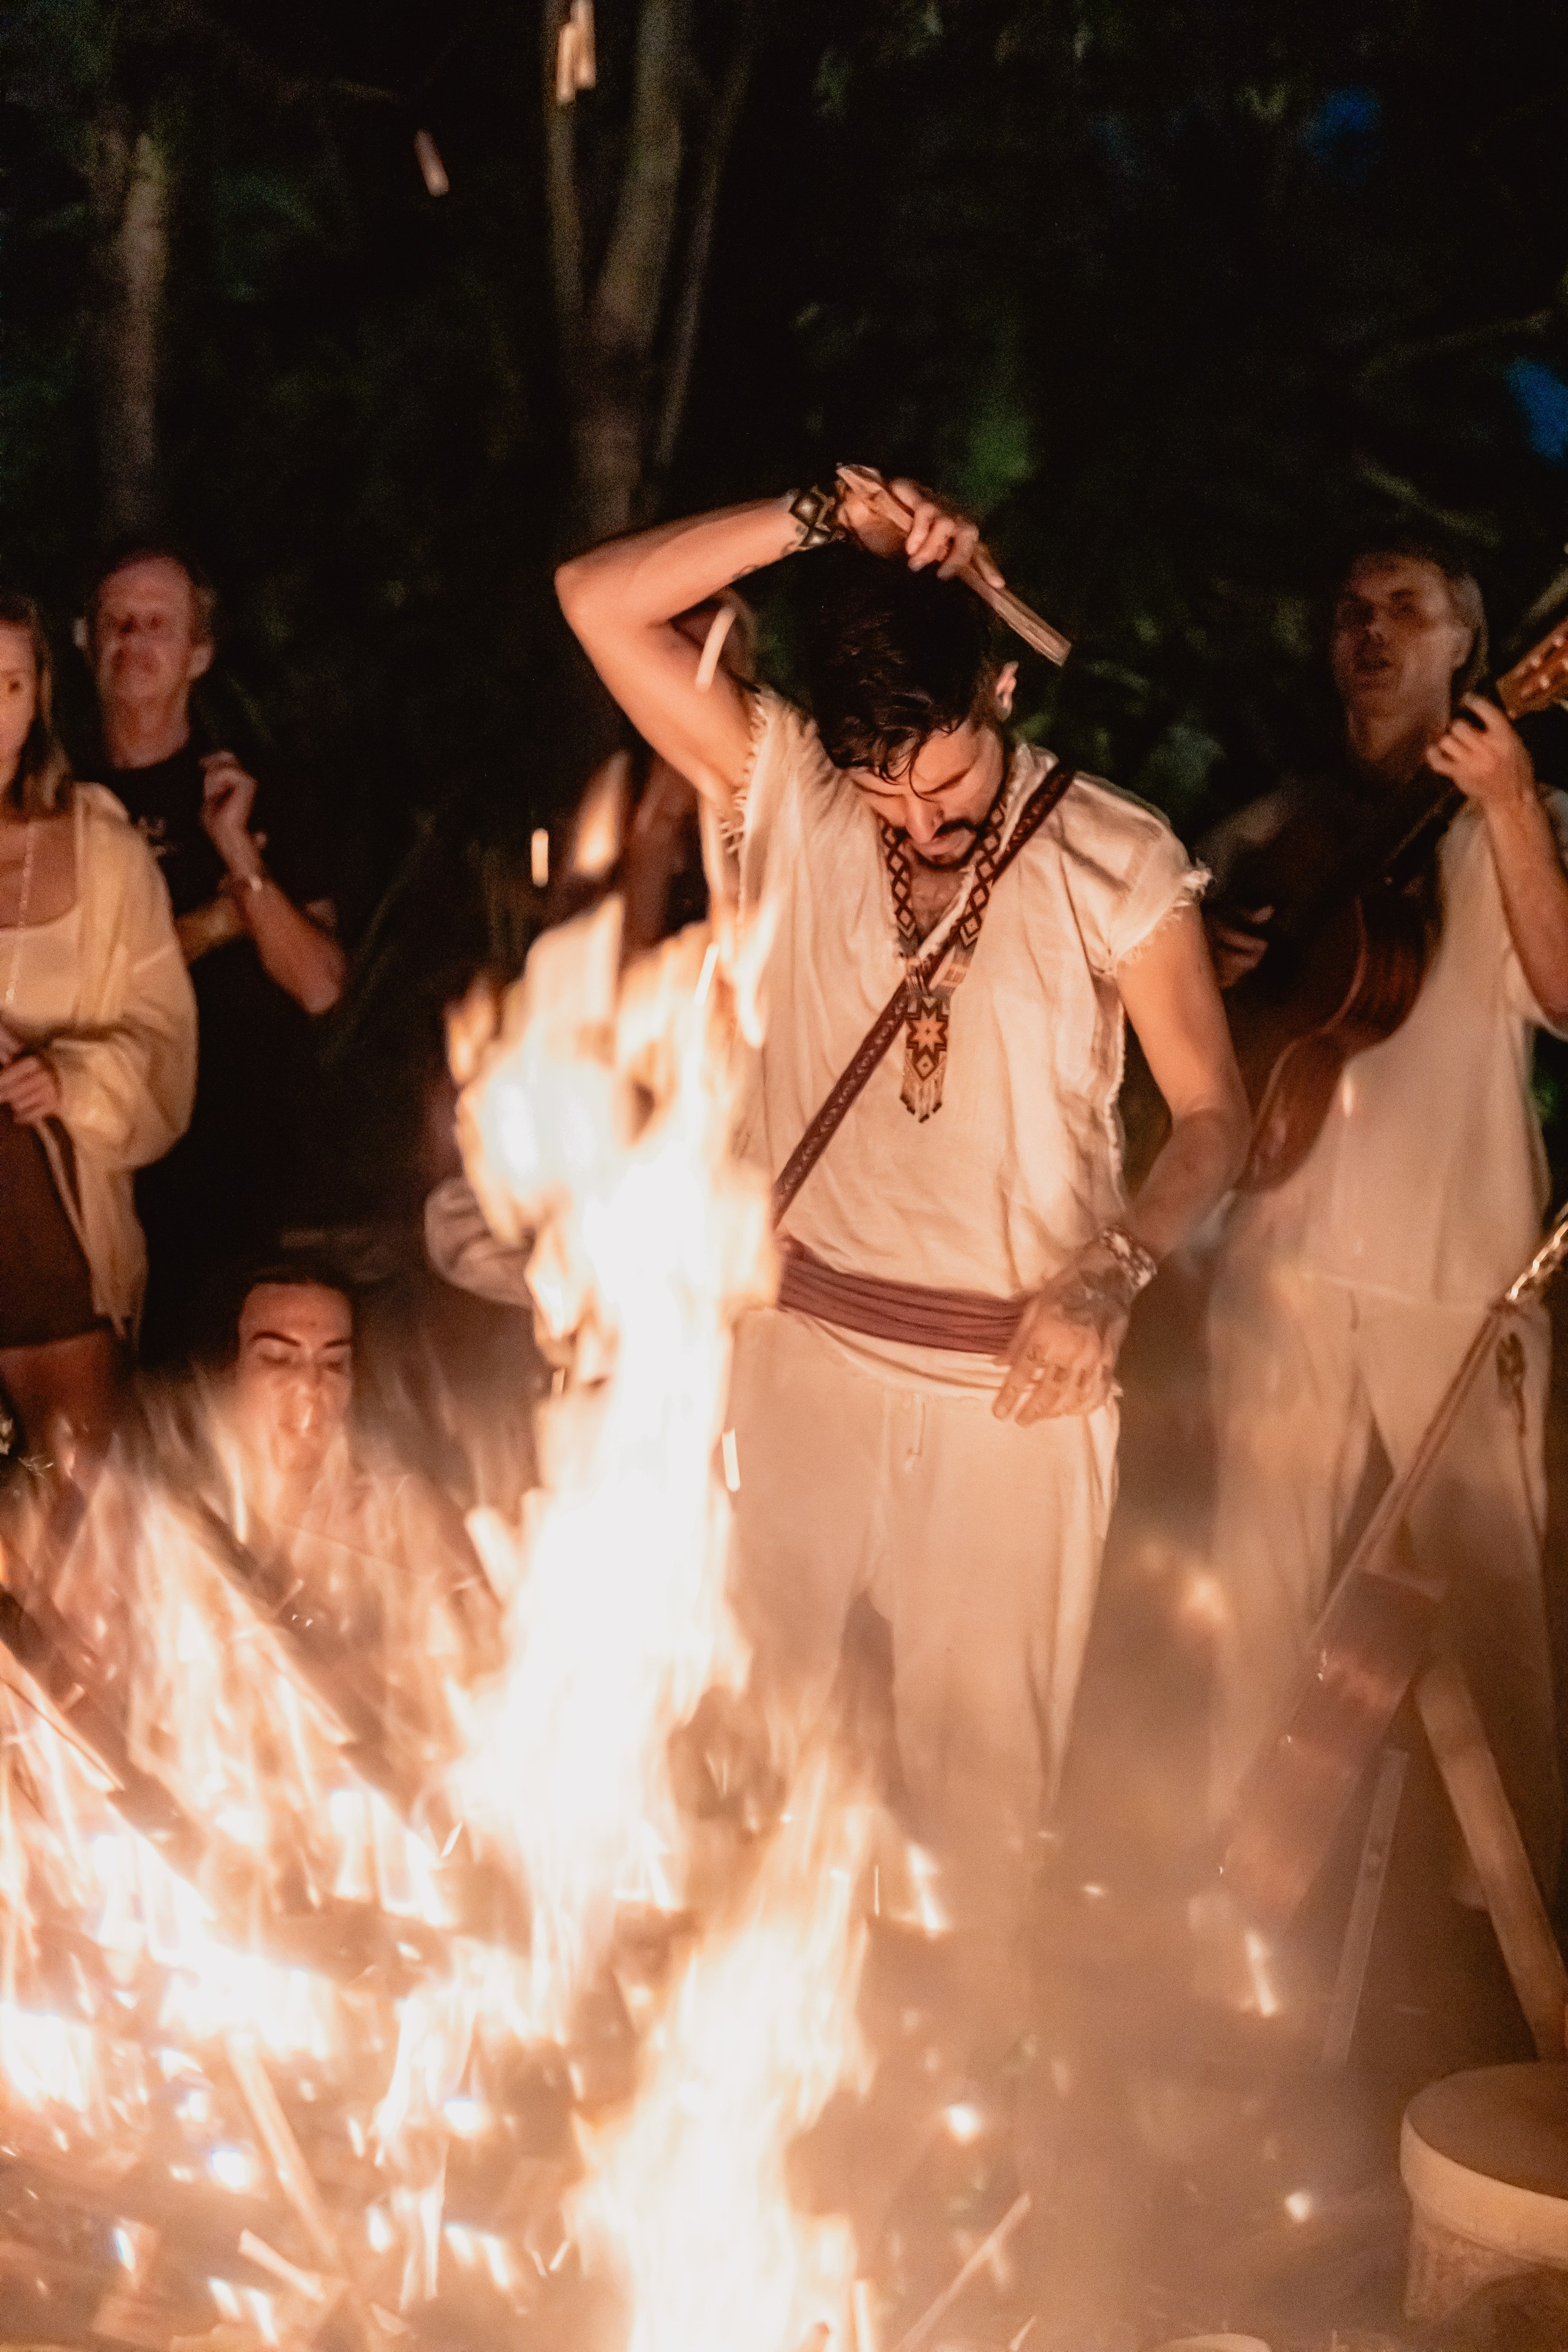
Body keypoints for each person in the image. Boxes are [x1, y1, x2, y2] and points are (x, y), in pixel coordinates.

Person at [556, 469, 1250, 2051]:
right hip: (805, 1362)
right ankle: (729, 2100)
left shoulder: (1116, 855)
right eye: (893, 804)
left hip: (1026, 1389)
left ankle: (963, 2137)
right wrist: (825, 513)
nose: (923, 826)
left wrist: (1118, 1268)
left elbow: (1214, 1119)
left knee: (982, 1809)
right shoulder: (791, 789)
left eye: (946, 788)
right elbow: (597, 600)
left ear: (1003, 687)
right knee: (755, 1774)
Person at [1202, 546, 1568, 1888]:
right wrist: (1214, 965)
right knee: (1247, 1599)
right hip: (1276, 1260)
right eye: (1349, 609)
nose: (1371, 630)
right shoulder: (1263, 830)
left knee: (1493, 1620)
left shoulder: (1517, 821)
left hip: (1450, 1275)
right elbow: (1176, 1033)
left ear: (1469, 644)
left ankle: (1525, 1930)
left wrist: (1517, 808)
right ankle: (1236, 1904)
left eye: (1404, 609)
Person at [78, 545, 345, 1357]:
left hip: (245, 1175)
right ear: (87, 642)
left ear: (198, 651)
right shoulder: (57, 807)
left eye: (158, 624)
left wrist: (243, 862)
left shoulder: (257, 792)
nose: (135, 641)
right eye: (118, 623)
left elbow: (320, 984)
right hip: (104, 1181)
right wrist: (206, 927)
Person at [0, 589, 195, 1482]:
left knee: (77, 1522)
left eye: (6, 686)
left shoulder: (104, 852)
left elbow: (165, 1044)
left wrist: (68, 1079)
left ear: (35, 697)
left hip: (53, 1249)